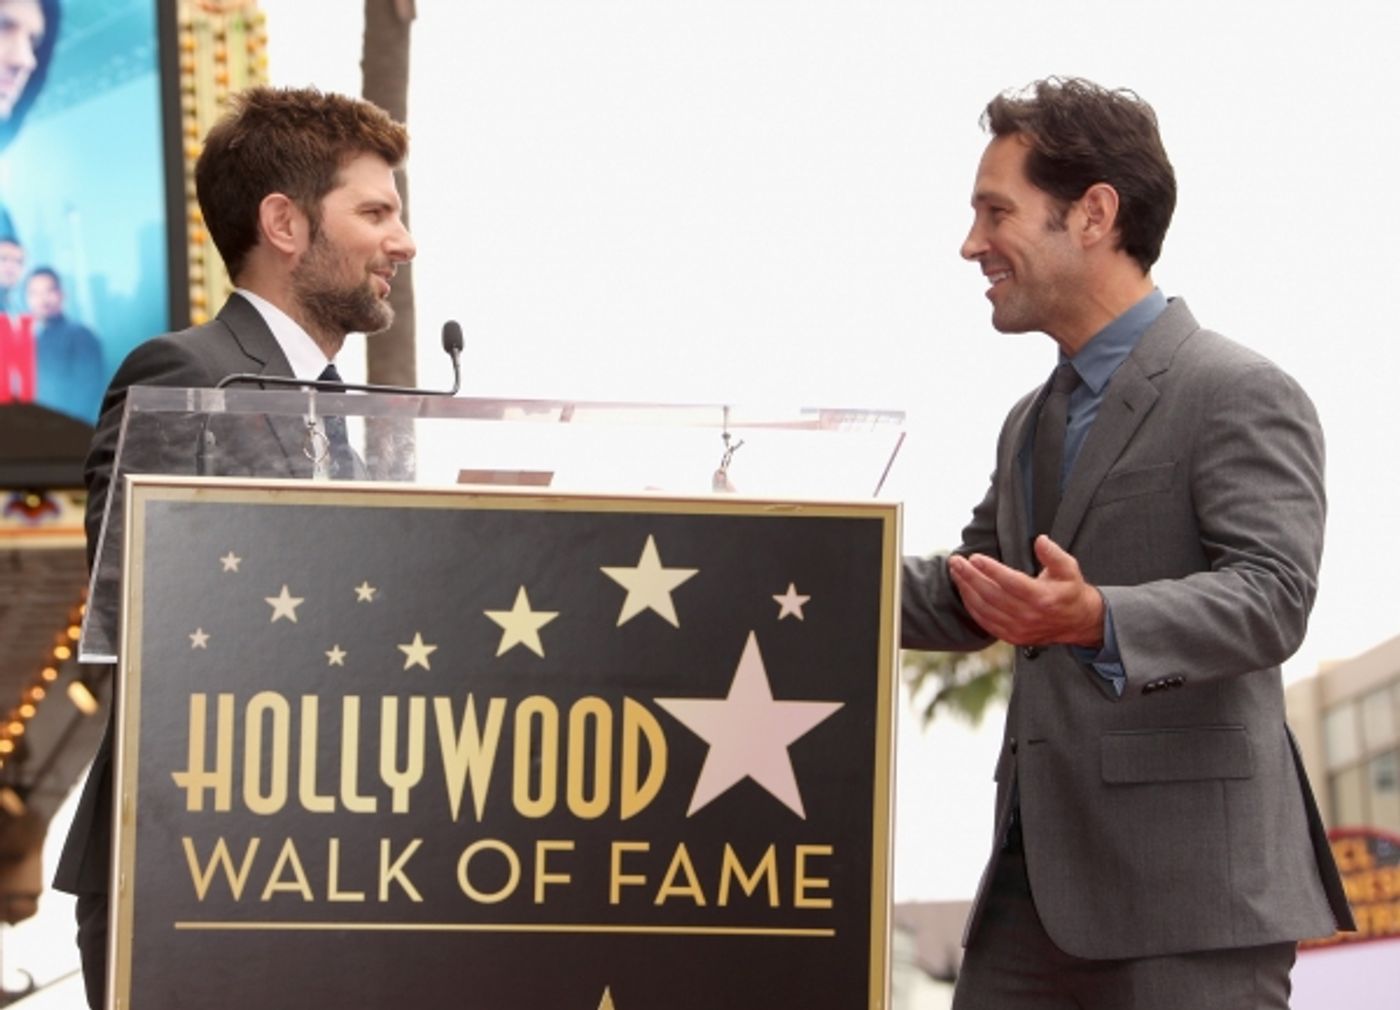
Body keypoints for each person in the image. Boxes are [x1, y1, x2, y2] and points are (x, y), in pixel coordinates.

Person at [902, 77, 1353, 1009]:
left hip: (1189, 907)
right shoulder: (1030, 422)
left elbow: (1271, 596)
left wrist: (1097, 616)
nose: (971, 244)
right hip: (1033, 900)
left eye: (997, 211)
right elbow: (967, 592)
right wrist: (779, 563)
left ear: (1094, 213)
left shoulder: (1236, 389)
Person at [52, 85, 415, 1010]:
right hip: (193, 870)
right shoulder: (185, 378)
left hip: (324, 872)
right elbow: (137, 605)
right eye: (375, 212)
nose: (401, 242)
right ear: (285, 223)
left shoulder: (347, 423)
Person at [27, 266, 104, 421]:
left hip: (68, 431)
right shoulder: (32, 339)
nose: (42, 299)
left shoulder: (81, 335)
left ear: (61, 294)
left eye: (49, 291)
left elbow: (89, 390)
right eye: (34, 293)